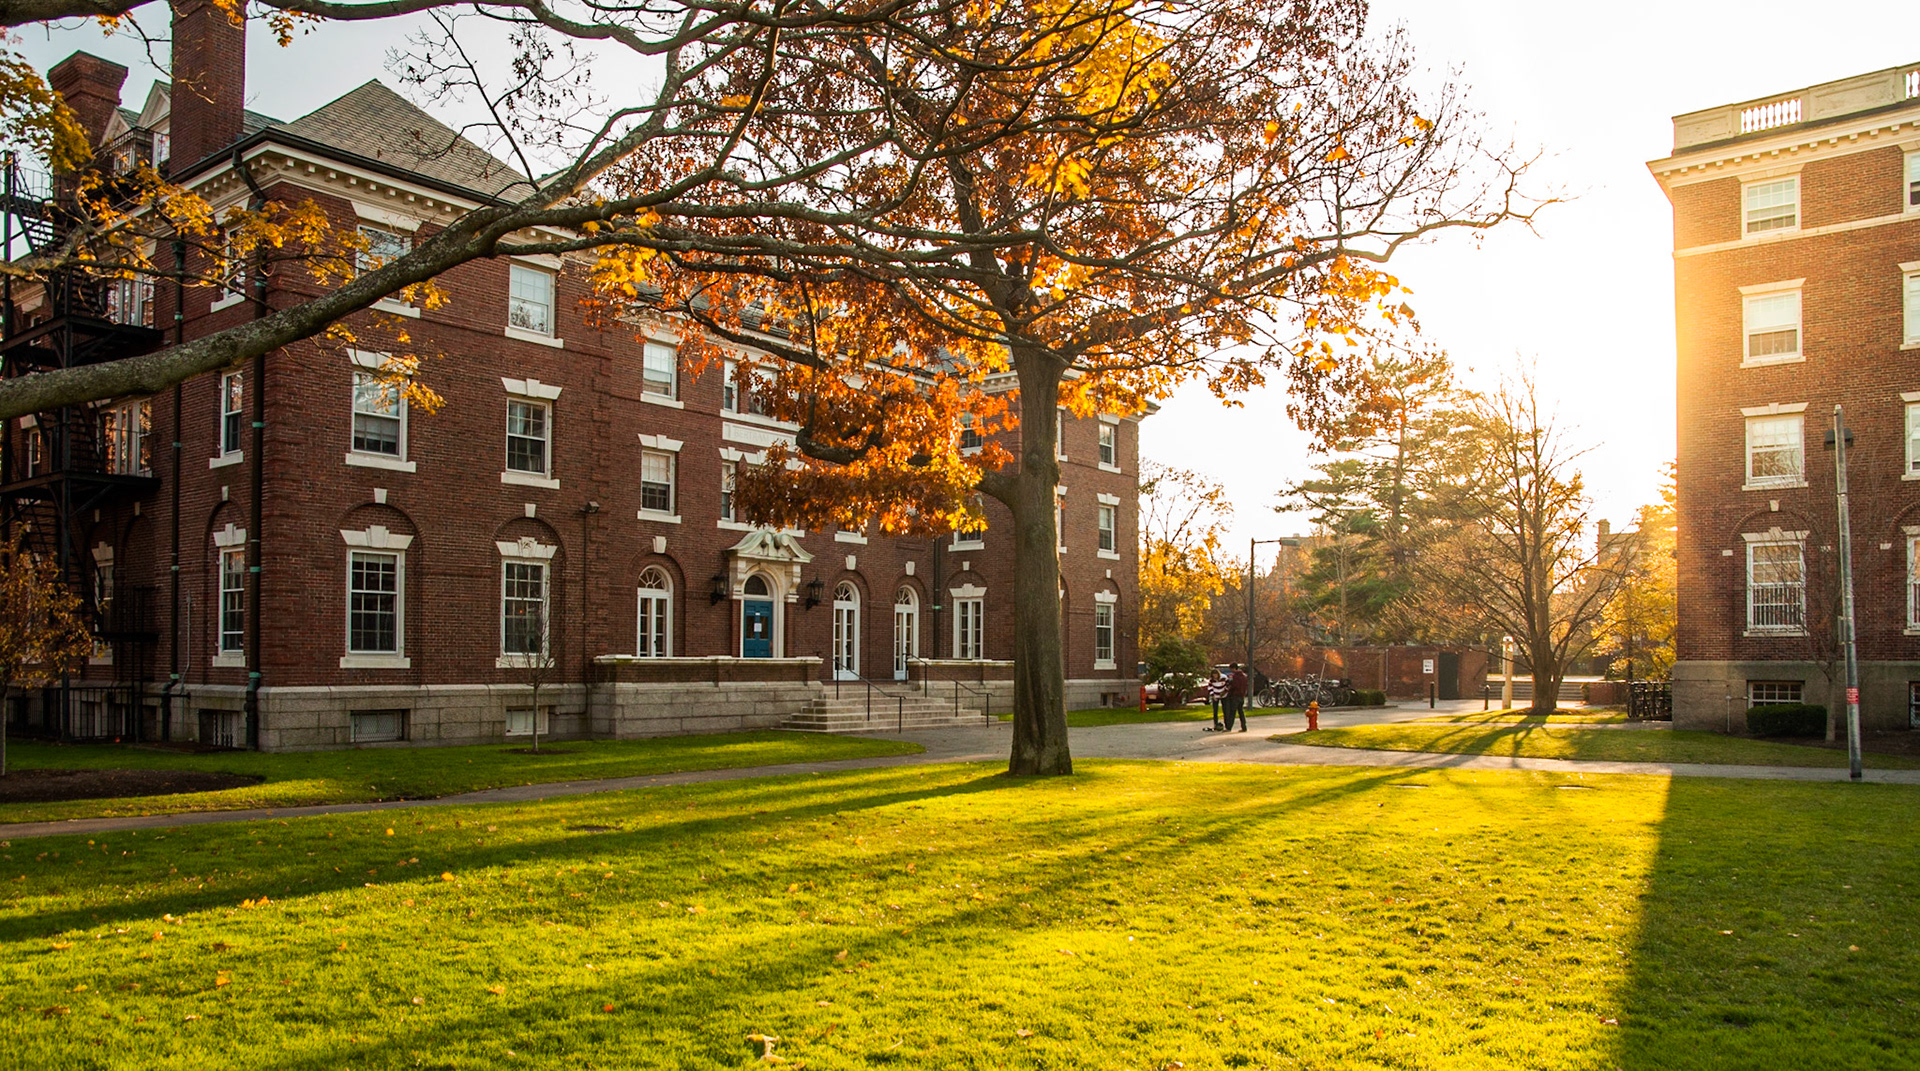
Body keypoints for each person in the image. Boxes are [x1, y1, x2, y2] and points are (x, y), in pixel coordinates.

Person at [1226, 663, 1250, 732]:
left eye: (1231, 669)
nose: (1231, 671)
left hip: (1235, 696)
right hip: (1241, 696)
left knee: (1232, 712)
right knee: (1241, 712)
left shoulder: (1236, 676)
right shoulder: (1244, 676)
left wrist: (1229, 690)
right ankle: (1244, 727)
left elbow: (1234, 686)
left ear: (1234, 668)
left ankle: (1229, 727)